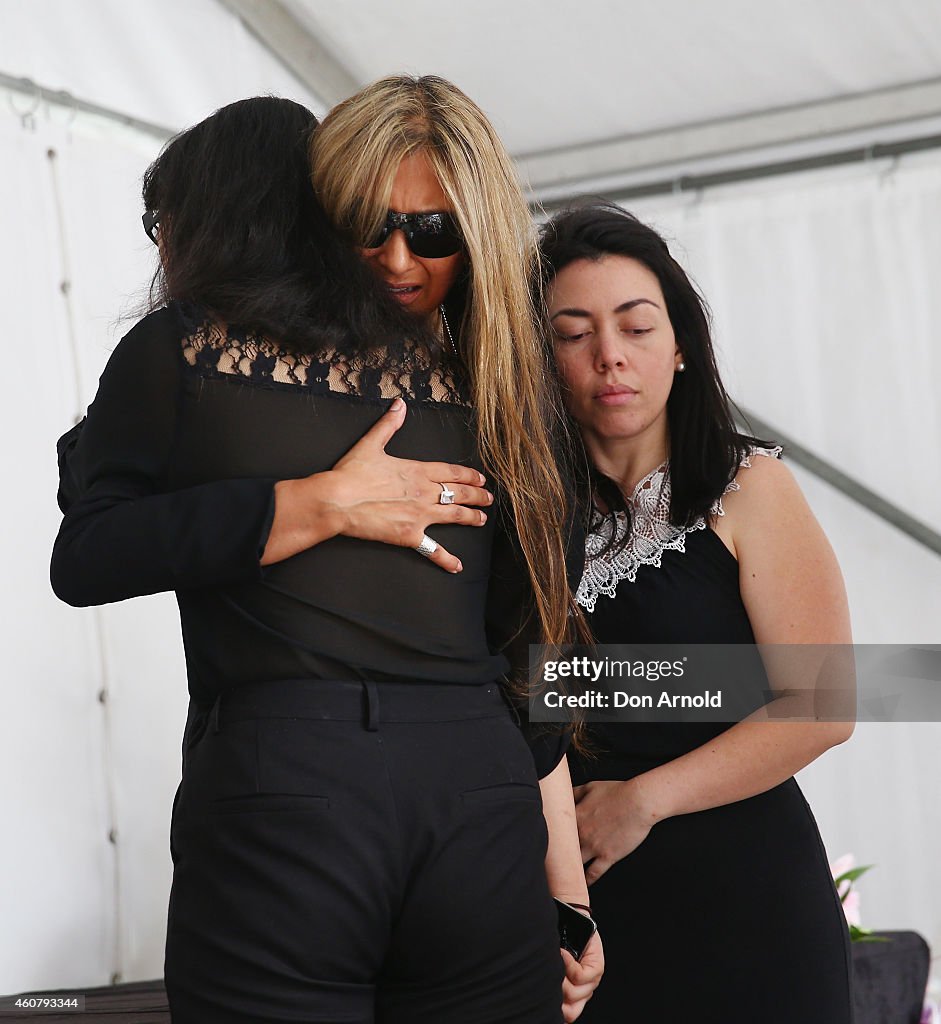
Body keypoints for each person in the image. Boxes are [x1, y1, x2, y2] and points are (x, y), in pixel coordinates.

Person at [51, 94, 599, 1023]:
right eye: (370, 225)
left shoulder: (192, 350)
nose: (399, 257)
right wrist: (568, 893)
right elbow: (532, 664)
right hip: (477, 787)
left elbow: (88, 556)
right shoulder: (488, 379)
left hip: (300, 775)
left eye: (429, 231)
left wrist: (286, 509)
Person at [538, 203, 855, 1022]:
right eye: (573, 334)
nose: (609, 355)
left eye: (635, 327)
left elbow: (824, 707)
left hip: (746, 901)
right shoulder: (528, 519)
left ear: (678, 344)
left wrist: (639, 800)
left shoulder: (749, 488)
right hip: (582, 919)